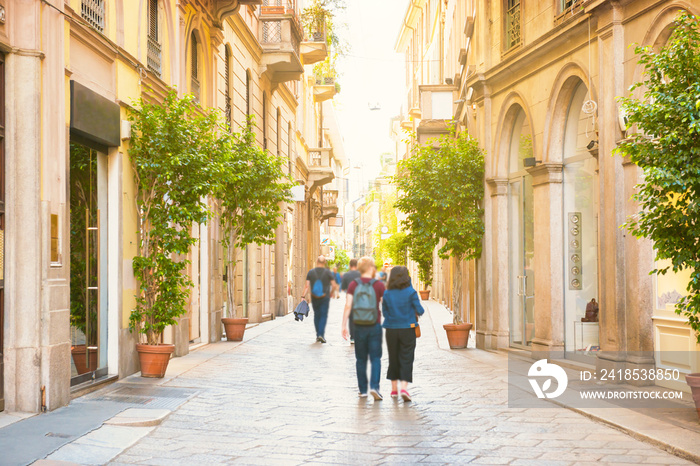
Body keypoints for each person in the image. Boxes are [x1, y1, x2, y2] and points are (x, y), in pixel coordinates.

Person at [341, 257, 385, 400]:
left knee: (360, 359)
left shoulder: (354, 285)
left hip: (358, 325)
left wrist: (344, 325)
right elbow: (385, 306)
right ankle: (374, 387)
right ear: (371, 268)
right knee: (375, 358)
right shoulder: (378, 285)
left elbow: (348, 305)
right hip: (374, 325)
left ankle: (362, 390)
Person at [382, 265, 424, 402]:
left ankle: (394, 389)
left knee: (393, 357)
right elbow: (420, 310)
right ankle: (404, 388)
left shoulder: (387, 293)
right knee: (407, 357)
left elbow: (384, 312)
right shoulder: (411, 292)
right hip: (408, 329)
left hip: (391, 329)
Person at [301, 256, 337, 343]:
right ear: (324, 262)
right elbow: (334, 285)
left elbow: (306, 286)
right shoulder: (328, 272)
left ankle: (318, 335)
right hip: (325, 297)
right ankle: (321, 334)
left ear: (317, 261)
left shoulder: (311, 272)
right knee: (323, 315)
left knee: (317, 314)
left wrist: (303, 296)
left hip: (314, 296)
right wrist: (331, 293)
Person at [340, 259, 361, 343]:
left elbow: (343, 288)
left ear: (349, 265)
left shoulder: (346, 275)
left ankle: (353, 337)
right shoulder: (361, 274)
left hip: (350, 297)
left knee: (351, 316)